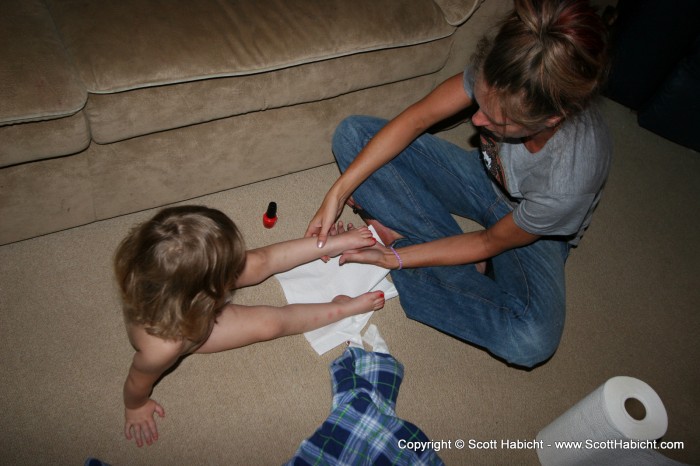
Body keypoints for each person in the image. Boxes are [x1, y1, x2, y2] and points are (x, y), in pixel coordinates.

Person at [305, 0, 611, 368]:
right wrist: (335, 194)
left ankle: (409, 245)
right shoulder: (508, 69)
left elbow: (487, 240)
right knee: (352, 135)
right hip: (481, 179)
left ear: (550, 119)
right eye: (479, 101)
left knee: (529, 340)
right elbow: (417, 119)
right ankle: (450, 265)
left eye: (498, 121)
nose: (477, 120)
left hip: (533, 230)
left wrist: (394, 257)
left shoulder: (569, 180)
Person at [115, 205, 385, 447]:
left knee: (260, 261)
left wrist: (330, 243)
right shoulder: (161, 348)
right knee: (270, 324)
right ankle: (342, 308)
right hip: (192, 331)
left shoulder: (159, 259)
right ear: (207, 295)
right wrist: (135, 405)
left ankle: (331, 245)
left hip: (189, 291)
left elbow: (263, 259)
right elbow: (137, 381)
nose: (237, 264)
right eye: (228, 269)